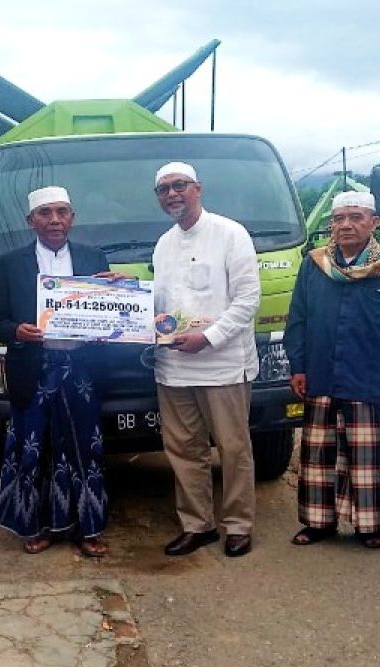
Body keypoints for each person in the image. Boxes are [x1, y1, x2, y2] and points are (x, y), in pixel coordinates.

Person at [284, 192, 380, 550]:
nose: (346, 225)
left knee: (367, 455)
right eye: (340, 218)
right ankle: (318, 523)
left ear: (373, 222)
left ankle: (369, 526)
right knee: (317, 454)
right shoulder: (315, 264)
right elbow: (297, 318)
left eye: (356, 217)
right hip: (319, 373)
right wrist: (297, 365)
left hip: (370, 372)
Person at [0, 186, 112, 557]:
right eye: (45, 213)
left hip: (80, 370)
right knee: (34, 450)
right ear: (31, 221)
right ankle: (39, 527)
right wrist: (16, 331)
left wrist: (114, 309)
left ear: (72, 217)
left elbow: (107, 310)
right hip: (34, 370)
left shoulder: (93, 258)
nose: (54, 220)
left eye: (62, 212)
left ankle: (88, 529)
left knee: (84, 449)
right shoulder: (10, 263)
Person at [151, 162, 261, 558]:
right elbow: (161, 306)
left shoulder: (230, 234)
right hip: (174, 366)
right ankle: (197, 525)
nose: (171, 195)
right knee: (183, 449)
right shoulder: (163, 244)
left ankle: (238, 525)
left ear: (197, 188)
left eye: (179, 186)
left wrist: (209, 337)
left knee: (232, 448)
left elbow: (248, 300)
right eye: (163, 190)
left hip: (224, 364)